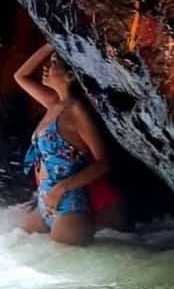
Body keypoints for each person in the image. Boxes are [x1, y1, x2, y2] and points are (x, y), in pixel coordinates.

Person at [14, 42, 123, 245]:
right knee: (12, 247)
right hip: (45, 201)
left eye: (54, 63)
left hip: (70, 205)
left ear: (70, 75)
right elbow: (20, 76)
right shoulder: (53, 104)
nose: (46, 67)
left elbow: (103, 162)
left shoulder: (76, 110)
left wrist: (61, 188)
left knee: (60, 271)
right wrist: (50, 44)